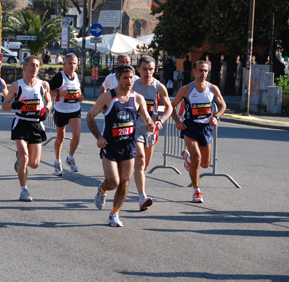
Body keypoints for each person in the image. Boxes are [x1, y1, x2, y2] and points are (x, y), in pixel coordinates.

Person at [86, 64, 155, 227]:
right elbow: (90, 116)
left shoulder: (138, 98)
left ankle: (114, 213)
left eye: (131, 77)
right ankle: (102, 190)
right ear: (117, 79)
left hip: (128, 146)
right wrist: (99, 137)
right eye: (125, 78)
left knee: (124, 182)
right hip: (110, 146)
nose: (129, 81)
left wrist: (150, 124)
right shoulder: (108, 97)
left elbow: (146, 117)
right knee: (113, 182)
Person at [171, 60, 226, 204]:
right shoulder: (186, 89)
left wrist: (216, 117)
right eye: (201, 70)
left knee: (205, 164)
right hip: (190, 127)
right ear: (194, 71)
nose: (203, 73)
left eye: (206, 71)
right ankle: (196, 191)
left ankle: (188, 158)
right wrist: (177, 121)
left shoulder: (213, 88)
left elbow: (223, 105)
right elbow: (172, 105)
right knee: (197, 158)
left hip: (206, 128)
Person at [2, 55, 52, 202]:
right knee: (24, 157)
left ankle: (19, 163)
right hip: (21, 123)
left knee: (34, 164)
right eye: (32, 65)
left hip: (36, 124)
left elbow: (49, 101)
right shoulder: (16, 85)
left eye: (37, 66)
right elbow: (4, 106)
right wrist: (13, 105)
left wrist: (46, 110)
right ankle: (24, 190)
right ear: (25, 67)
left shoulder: (43, 85)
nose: (35, 68)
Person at [132, 56, 173, 211]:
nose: (148, 72)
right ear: (138, 70)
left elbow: (169, 107)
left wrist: (161, 120)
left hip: (151, 130)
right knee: (140, 160)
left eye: (151, 69)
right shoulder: (133, 85)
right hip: (135, 128)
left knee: (145, 165)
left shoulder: (159, 87)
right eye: (145, 69)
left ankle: (134, 176)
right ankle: (142, 196)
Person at [48, 53, 83, 176]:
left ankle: (70, 157)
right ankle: (57, 161)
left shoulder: (76, 76)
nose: (72, 66)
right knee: (60, 138)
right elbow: (48, 93)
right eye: (69, 63)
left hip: (74, 110)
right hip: (61, 111)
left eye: (74, 63)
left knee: (77, 135)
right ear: (64, 64)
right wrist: (58, 93)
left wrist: (80, 97)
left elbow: (78, 90)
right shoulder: (59, 77)